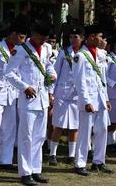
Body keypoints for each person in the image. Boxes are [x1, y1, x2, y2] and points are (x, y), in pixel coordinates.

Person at [5, 21, 57, 185]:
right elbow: (9, 73)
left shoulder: (47, 48)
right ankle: (25, 173)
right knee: (26, 136)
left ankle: (36, 170)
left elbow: (48, 65)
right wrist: (24, 87)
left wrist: (52, 76)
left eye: (46, 38)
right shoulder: (20, 50)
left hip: (42, 99)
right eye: (41, 37)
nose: (43, 40)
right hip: (27, 99)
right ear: (34, 34)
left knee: (40, 137)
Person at [0, 21, 28, 174]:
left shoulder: (19, 50)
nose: (23, 41)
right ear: (13, 34)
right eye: (21, 37)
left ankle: (6, 160)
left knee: (9, 127)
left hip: (12, 93)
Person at [72, 25, 112, 176]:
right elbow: (79, 81)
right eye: (99, 36)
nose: (101, 39)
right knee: (85, 132)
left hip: (100, 99)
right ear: (91, 37)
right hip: (88, 100)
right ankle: (80, 163)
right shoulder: (80, 56)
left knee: (102, 130)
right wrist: (86, 101)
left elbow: (102, 79)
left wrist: (106, 98)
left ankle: (98, 161)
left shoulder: (101, 54)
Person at [48, 27, 84, 166]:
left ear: (81, 38)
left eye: (76, 37)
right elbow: (55, 73)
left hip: (76, 95)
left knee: (74, 126)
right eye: (71, 37)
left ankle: (71, 155)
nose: (73, 39)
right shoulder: (64, 53)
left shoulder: (84, 54)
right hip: (62, 93)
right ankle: (52, 154)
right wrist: (51, 92)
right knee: (58, 125)